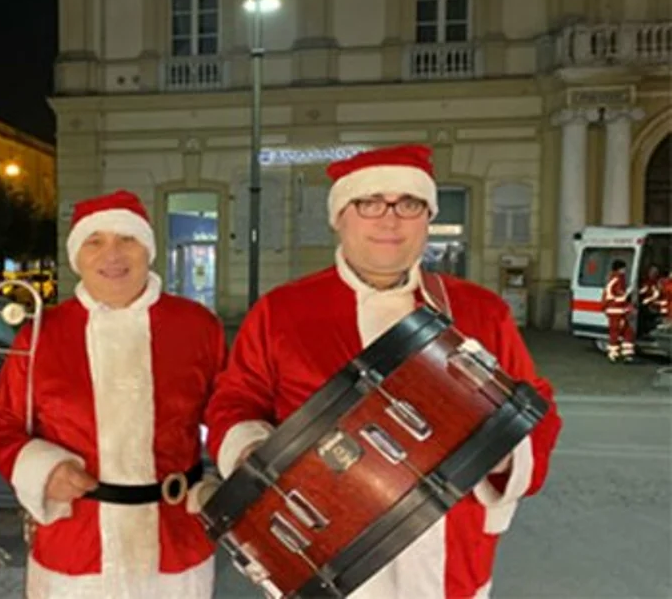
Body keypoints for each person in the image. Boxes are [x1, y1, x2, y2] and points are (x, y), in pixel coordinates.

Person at [205, 145, 563, 599]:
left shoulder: (480, 311)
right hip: (322, 558)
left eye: (408, 204)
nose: (390, 220)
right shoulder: (283, 312)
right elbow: (235, 400)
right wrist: (252, 455)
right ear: (340, 216)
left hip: (447, 561)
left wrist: (504, 454)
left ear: (427, 218)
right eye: (369, 203)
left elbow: (535, 406)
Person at [0, 190, 226, 598]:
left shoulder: (197, 326)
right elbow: (4, 423)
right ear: (78, 256)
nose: (112, 255)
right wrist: (42, 469)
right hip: (75, 546)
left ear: (148, 249)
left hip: (175, 543)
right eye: (95, 241)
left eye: (127, 239)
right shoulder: (42, 333)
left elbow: (226, 410)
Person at [602, 259, 634, 362]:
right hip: (616, 310)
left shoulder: (615, 278)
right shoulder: (617, 279)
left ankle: (624, 354)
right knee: (618, 332)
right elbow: (620, 296)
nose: (625, 270)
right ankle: (615, 354)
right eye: (623, 268)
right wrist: (628, 294)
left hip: (616, 310)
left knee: (624, 332)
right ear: (620, 268)